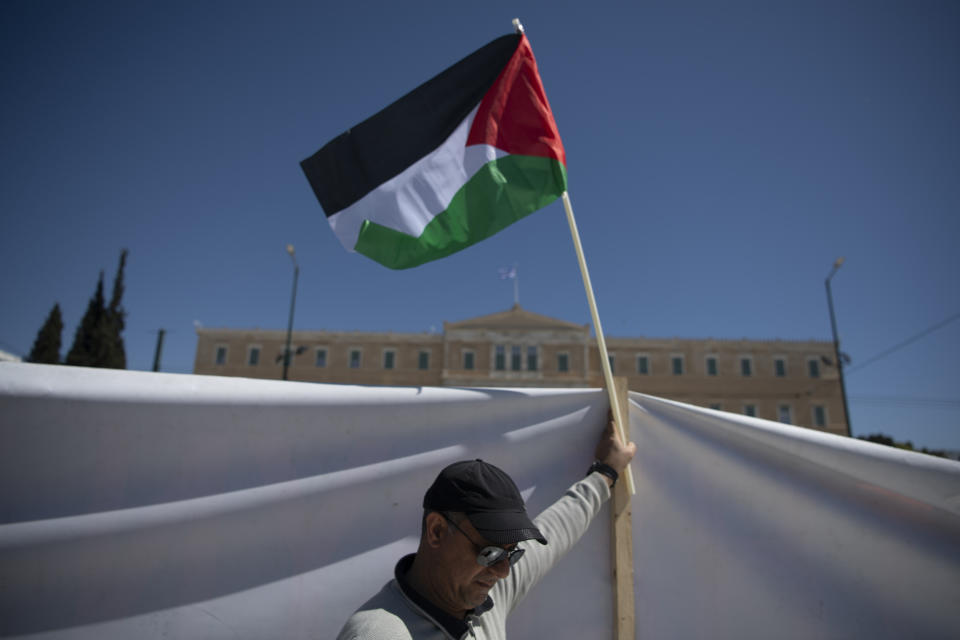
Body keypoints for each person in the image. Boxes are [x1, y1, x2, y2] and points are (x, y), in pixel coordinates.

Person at [336, 412, 637, 639]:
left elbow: (556, 530)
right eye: (490, 553)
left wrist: (605, 472)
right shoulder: (379, 634)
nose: (503, 571)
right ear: (437, 531)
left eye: (512, 555)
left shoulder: (485, 594)